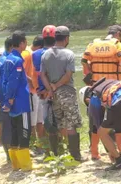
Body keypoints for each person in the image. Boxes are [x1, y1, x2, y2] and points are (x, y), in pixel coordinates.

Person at [81, 25, 121, 161]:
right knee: (118, 121)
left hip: (97, 88)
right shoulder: (116, 45)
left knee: (96, 122)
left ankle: (94, 152)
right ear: (118, 34)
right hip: (113, 91)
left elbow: (83, 60)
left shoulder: (93, 44)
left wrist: (89, 73)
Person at [41, 26, 84, 161]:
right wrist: (57, 85)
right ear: (66, 38)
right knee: (71, 124)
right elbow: (68, 75)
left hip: (53, 95)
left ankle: (57, 154)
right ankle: (76, 156)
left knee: (57, 123)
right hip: (67, 92)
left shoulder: (45, 54)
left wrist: (50, 89)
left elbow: (42, 75)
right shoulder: (69, 54)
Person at [80, 77, 121, 170]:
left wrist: (110, 152)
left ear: (87, 99)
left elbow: (98, 127)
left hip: (119, 100)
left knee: (102, 132)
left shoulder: (93, 96)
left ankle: (119, 161)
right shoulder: (107, 83)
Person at [3, 30, 35, 171]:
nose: (26, 44)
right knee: (25, 132)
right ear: (22, 43)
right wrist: (10, 99)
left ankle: (16, 164)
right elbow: (13, 82)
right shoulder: (16, 60)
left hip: (13, 102)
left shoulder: (8, 58)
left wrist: (6, 100)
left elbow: (4, 82)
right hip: (20, 102)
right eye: (25, 41)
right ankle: (26, 166)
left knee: (15, 132)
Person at [33, 25, 57, 155]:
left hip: (42, 93)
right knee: (60, 120)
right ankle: (60, 148)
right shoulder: (59, 52)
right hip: (56, 91)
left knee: (45, 120)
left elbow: (36, 73)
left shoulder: (35, 54)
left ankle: (46, 149)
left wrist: (40, 89)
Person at [22, 35, 45, 156]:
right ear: (40, 46)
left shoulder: (35, 54)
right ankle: (31, 146)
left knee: (40, 120)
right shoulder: (27, 54)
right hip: (30, 92)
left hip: (38, 92)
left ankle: (40, 145)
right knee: (32, 122)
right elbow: (20, 70)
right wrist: (30, 80)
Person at [0, 37, 14, 162]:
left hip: (2, 99)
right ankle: (12, 155)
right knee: (12, 127)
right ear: (12, 46)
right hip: (9, 100)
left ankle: (9, 156)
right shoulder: (9, 61)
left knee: (7, 127)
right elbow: (5, 83)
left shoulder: (0, 60)